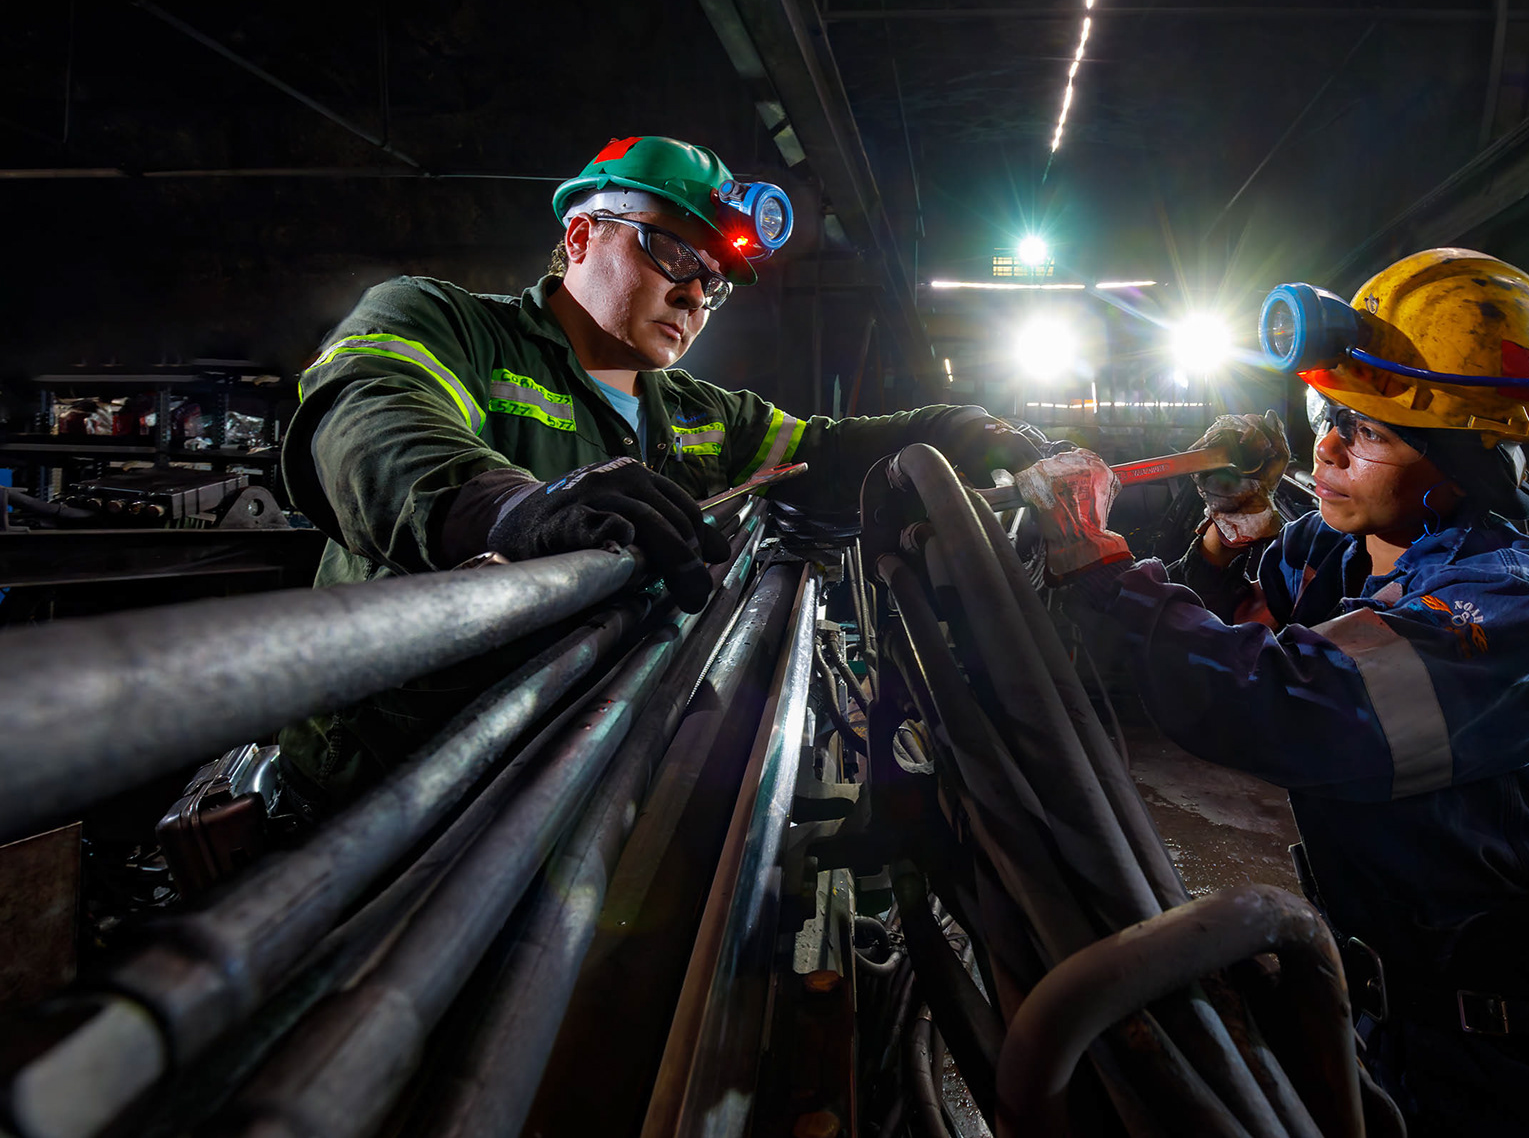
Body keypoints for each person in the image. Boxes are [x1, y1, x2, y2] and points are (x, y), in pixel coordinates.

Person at [1019, 249, 1529, 1138]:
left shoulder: (1512, 606)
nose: (1326, 450)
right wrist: (1224, 535)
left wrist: (1097, 567)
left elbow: (1287, 701)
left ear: (1460, 459)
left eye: (1369, 433)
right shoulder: (1346, 553)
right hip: (1394, 1011)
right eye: (1330, 416)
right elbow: (1226, 623)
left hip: (1527, 1063)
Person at [278, 134, 1038, 805]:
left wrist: (961, 429)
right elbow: (370, 421)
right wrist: (511, 509)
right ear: (580, 235)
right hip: (390, 784)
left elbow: (824, 450)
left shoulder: (699, 411)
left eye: (714, 279)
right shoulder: (442, 324)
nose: (695, 295)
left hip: (578, 764)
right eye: (675, 253)